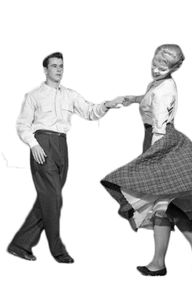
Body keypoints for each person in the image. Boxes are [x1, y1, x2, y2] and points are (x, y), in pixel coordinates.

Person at [101, 44, 192, 276]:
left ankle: (160, 262)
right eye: (154, 63)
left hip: (161, 143)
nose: (156, 69)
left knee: (160, 205)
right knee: (163, 204)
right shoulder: (161, 83)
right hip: (158, 140)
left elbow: (160, 125)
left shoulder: (164, 90)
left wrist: (153, 160)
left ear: (175, 67)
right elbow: (150, 97)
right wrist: (133, 98)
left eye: (162, 66)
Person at [7, 52, 124, 263]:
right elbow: (22, 125)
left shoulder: (70, 94)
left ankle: (20, 245)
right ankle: (57, 250)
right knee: (54, 199)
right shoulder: (33, 95)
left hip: (62, 145)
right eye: (54, 66)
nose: (59, 69)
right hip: (42, 145)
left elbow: (90, 112)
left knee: (49, 199)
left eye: (61, 66)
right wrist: (33, 144)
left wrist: (107, 104)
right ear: (45, 70)